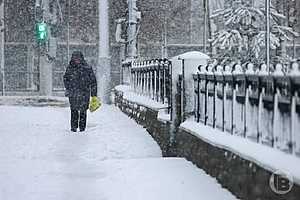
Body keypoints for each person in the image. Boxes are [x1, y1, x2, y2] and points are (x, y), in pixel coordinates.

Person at [63, 51, 97, 132]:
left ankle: (82, 128)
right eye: (75, 58)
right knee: (74, 110)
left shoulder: (87, 68)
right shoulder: (70, 67)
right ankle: (74, 127)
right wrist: (68, 87)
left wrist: (94, 94)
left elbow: (93, 81)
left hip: (84, 93)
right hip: (73, 92)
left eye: (78, 58)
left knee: (83, 110)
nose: (77, 60)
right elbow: (65, 79)